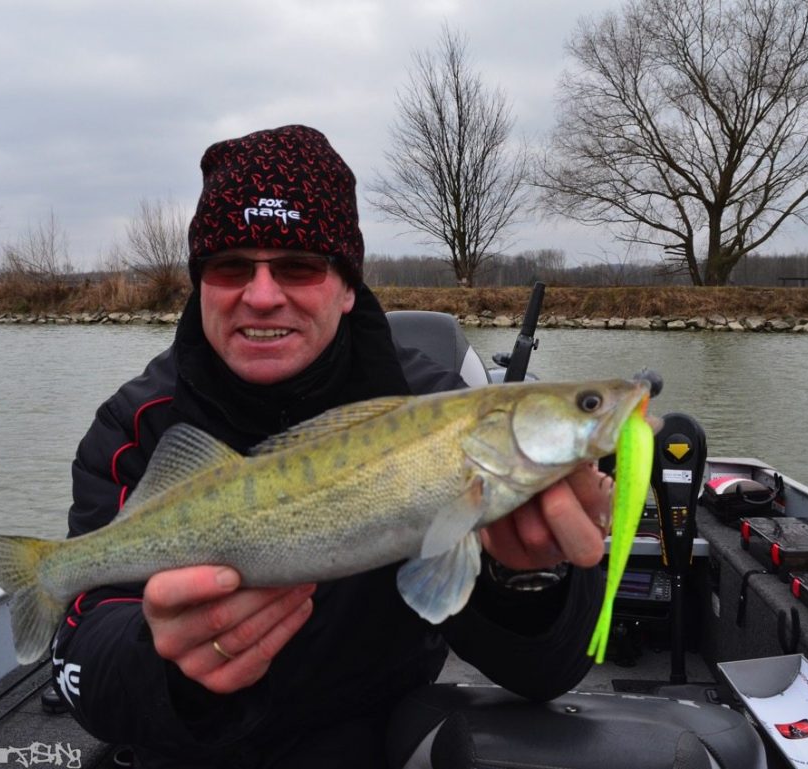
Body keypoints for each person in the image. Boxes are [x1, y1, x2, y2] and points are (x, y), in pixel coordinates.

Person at [52, 124, 610, 768]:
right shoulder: (135, 424)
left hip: (374, 744)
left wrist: (525, 579)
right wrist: (171, 667)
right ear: (200, 283)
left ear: (347, 286)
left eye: (299, 265)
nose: (262, 296)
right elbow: (80, 648)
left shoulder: (433, 407)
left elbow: (545, 675)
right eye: (231, 265)